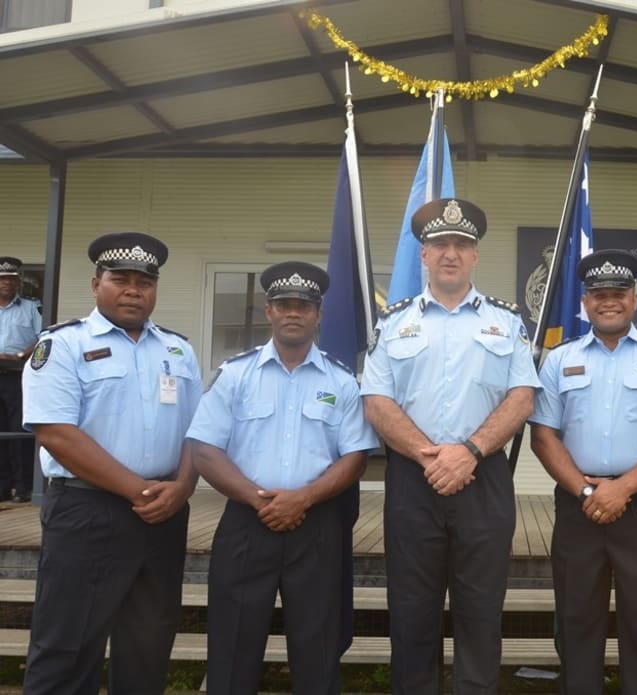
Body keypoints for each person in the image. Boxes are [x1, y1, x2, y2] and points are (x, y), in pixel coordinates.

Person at [361, 198, 540, 694]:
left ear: (476, 256)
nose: (451, 254)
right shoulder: (393, 322)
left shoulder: (506, 322)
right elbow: (376, 402)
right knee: (412, 612)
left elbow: (522, 397)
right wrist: (429, 455)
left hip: (484, 481)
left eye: (462, 245)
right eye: (440, 244)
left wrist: (470, 452)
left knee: (480, 612)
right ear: (423, 255)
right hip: (412, 485)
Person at [21, 232, 202, 694]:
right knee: (66, 644)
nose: (133, 289)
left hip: (164, 515)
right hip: (87, 513)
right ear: (95, 283)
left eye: (144, 282)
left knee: (148, 645)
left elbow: (199, 432)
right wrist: (138, 490)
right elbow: (56, 433)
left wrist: (182, 487)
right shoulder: (62, 346)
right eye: (120, 279)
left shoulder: (179, 350)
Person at [187, 261, 378, 694]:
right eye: (284, 305)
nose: (294, 313)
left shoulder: (343, 382)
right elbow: (204, 450)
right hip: (245, 523)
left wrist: (303, 498)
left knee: (318, 649)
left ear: (318, 315)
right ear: (268, 311)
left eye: (304, 306)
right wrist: (260, 500)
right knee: (232, 646)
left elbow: (355, 458)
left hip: (317, 527)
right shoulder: (235, 375)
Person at [529, 249, 637, 695]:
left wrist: (622, 488)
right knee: (577, 619)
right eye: (599, 294)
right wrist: (587, 492)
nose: (610, 301)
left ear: (635, 300)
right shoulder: (558, 359)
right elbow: (544, 436)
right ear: (585, 303)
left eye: (619, 294)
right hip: (577, 505)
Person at [0, 257, 41, 503]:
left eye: (11, 279)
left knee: (18, 432)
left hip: (17, 375)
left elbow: (42, 337)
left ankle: (23, 486)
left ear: (18, 282)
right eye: (2, 278)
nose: (6, 282)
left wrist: (18, 354)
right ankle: (2, 486)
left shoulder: (31, 307)